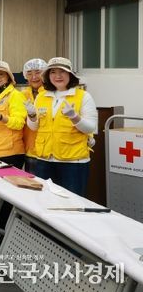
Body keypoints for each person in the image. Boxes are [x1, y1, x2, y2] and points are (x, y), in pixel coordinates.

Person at [25, 57, 97, 196]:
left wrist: (74, 117)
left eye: (62, 71)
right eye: (53, 72)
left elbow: (90, 127)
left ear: (70, 74)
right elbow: (34, 127)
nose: (57, 76)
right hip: (44, 160)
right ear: (48, 76)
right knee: (43, 201)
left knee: (71, 202)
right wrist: (32, 115)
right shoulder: (41, 97)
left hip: (73, 162)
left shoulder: (83, 96)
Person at [21, 58, 47, 173]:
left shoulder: (51, 93)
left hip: (49, 152)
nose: (34, 77)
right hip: (29, 149)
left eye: (38, 72)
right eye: (29, 73)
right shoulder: (22, 95)